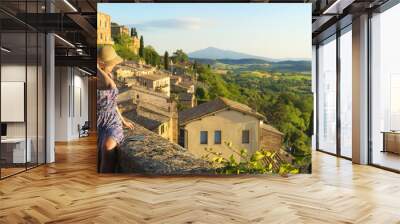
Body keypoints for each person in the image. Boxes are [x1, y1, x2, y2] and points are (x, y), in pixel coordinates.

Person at [97, 45, 134, 173]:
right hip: (97, 122)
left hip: (112, 122)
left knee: (107, 147)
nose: (114, 66)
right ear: (101, 65)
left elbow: (113, 103)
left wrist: (123, 120)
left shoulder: (110, 78)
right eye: (111, 64)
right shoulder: (96, 79)